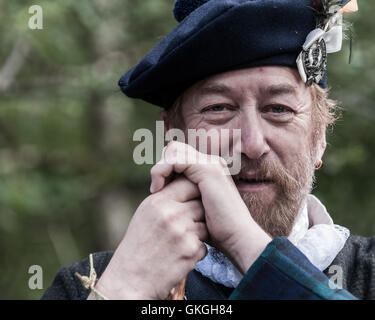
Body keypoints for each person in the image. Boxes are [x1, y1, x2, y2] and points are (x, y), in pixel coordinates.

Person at [42, 0, 373, 300]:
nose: (252, 144)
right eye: (218, 108)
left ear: (319, 139)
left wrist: (243, 242)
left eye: (278, 109)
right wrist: (122, 291)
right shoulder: (91, 284)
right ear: (174, 136)